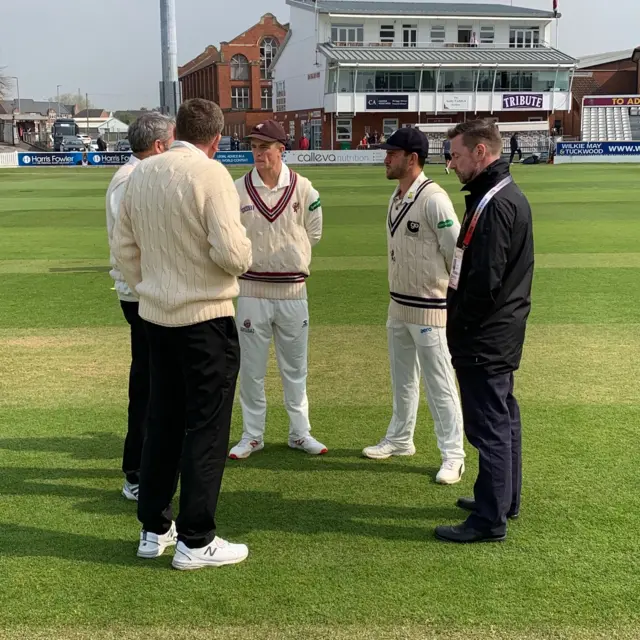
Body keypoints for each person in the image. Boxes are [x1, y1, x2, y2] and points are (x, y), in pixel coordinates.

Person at [112, 99, 253, 569]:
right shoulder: (210, 174)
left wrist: (149, 287)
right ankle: (196, 539)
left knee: (163, 423)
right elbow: (234, 254)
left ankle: (154, 528)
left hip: (156, 316)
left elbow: (124, 249)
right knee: (207, 428)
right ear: (215, 138)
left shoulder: (142, 172)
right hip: (204, 318)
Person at [435, 119, 534, 543]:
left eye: (456, 155)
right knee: (503, 414)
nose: (451, 164)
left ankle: (489, 519)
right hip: (500, 330)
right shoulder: (499, 195)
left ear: (480, 152)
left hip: (487, 334)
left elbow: (484, 281)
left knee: (488, 423)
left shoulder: (496, 202)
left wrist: (460, 324)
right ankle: (502, 499)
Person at [362, 128, 465, 485]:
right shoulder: (397, 195)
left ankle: (453, 454)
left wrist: (452, 300)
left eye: (392, 153)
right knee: (402, 378)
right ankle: (401, 438)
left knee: (440, 382)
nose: (386, 158)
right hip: (398, 305)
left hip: (430, 307)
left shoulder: (434, 198)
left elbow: (456, 252)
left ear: (412, 158)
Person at [229, 120, 326, 459]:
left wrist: (289, 256)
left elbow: (314, 233)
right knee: (252, 370)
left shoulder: (304, 189)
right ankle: (252, 435)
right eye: (254, 146)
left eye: (264, 147)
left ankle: (300, 434)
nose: (258, 153)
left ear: (280, 150)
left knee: (295, 369)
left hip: (292, 293)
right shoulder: (237, 188)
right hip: (252, 291)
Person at [106, 112, 175, 502]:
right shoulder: (131, 180)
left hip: (147, 291)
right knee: (148, 383)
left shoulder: (139, 177)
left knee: (155, 379)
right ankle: (136, 471)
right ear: (160, 146)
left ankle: (149, 463)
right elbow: (127, 246)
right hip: (140, 294)